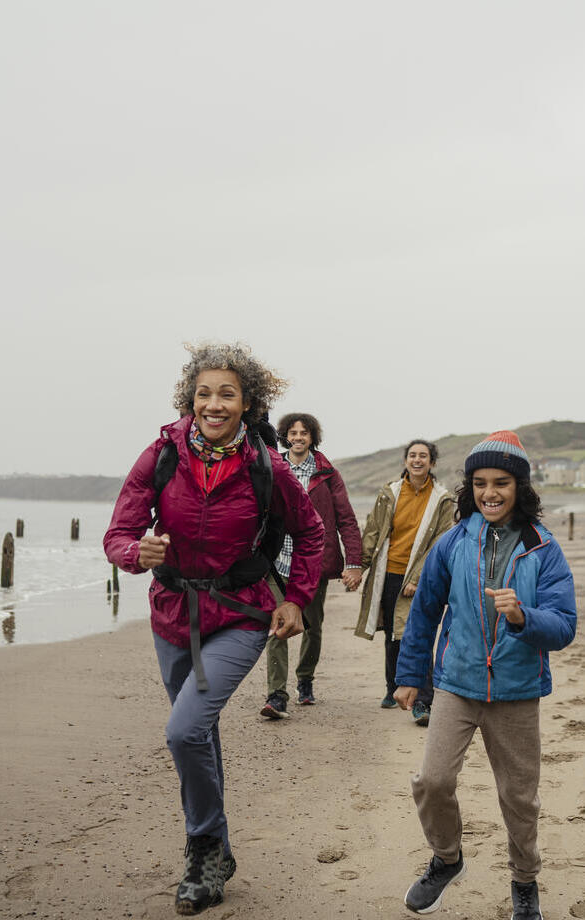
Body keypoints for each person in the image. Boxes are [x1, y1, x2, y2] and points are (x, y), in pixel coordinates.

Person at [103, 343, 324, 916]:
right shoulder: (161, 455)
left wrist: (296, 599)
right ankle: (220, 850)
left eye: (227, 393)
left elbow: (313, 533)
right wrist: (137, 551)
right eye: (204, 393)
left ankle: (201, 848)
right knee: (198, 732)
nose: (214, 403)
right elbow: (118, 532)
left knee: (182, 732)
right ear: (190, 399)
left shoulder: (266, 467)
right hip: (171, 613)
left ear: (247, 403)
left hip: (240, 615)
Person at [394, 431, 577, 918]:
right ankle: (447, 859)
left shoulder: (543, 549)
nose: (489, 492)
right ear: (469, 487)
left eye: (501, 482)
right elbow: (424, 612)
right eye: (479, 483)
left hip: (518, 692)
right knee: (433, 781)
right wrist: (411, 674)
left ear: (520, 486)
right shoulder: (453, 541)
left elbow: (564, 628)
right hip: (457, 683)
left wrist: (523, 618)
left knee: (519, 799)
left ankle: (525, 882)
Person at [260, 413, 363, 718]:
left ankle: (305, 679)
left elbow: (346, 518)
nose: (298, 437)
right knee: (277, 626)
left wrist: (355, 561)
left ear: (312, 437)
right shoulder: (273, 467)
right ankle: (276, 694)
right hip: (277, 562)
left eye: (304, 433)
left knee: (311, 627)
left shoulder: (327, 473)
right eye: (293, 433)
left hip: (313, 563)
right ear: (285, 436)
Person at [354, 439, 454, 724]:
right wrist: (359, 566)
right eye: (412, 455)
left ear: (432, 463)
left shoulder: (442, 497)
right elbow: (374, 529)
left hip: (421, 576)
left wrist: (418, 577)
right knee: (393, 634)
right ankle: (393, 687)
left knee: (418, 634)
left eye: (423, 456)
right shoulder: (391, 492)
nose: (417, 460)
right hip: (389, 572)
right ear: (405, 461)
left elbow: (440, 541)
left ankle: (424, 700)